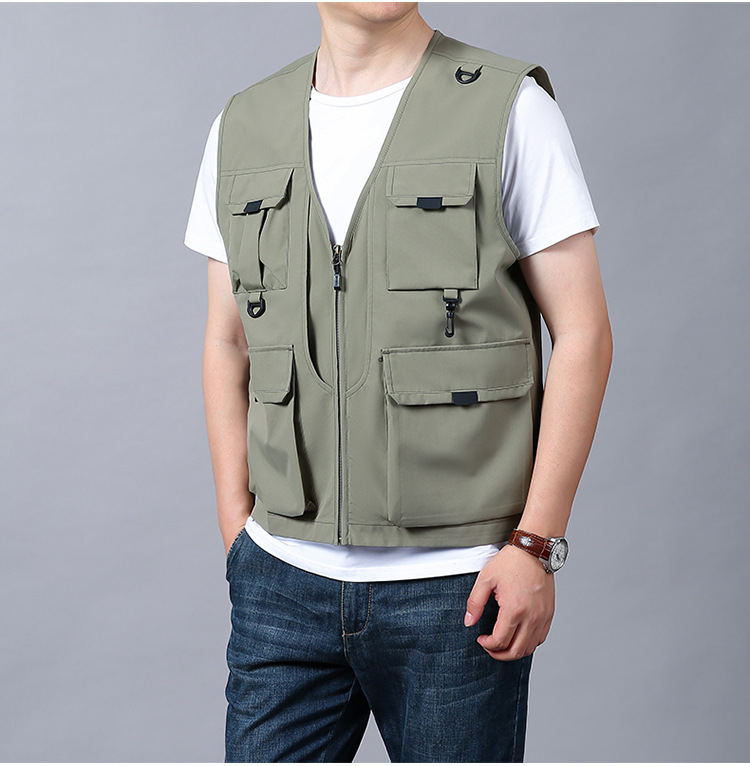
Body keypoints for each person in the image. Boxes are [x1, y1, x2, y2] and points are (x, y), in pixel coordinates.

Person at [185, 3, 612, 762]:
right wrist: (237, 530)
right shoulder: (242, 126)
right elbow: (227, 340)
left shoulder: (509, 108)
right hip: (281, 580)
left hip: (458, 590)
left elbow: (584, 336)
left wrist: (535, 545)